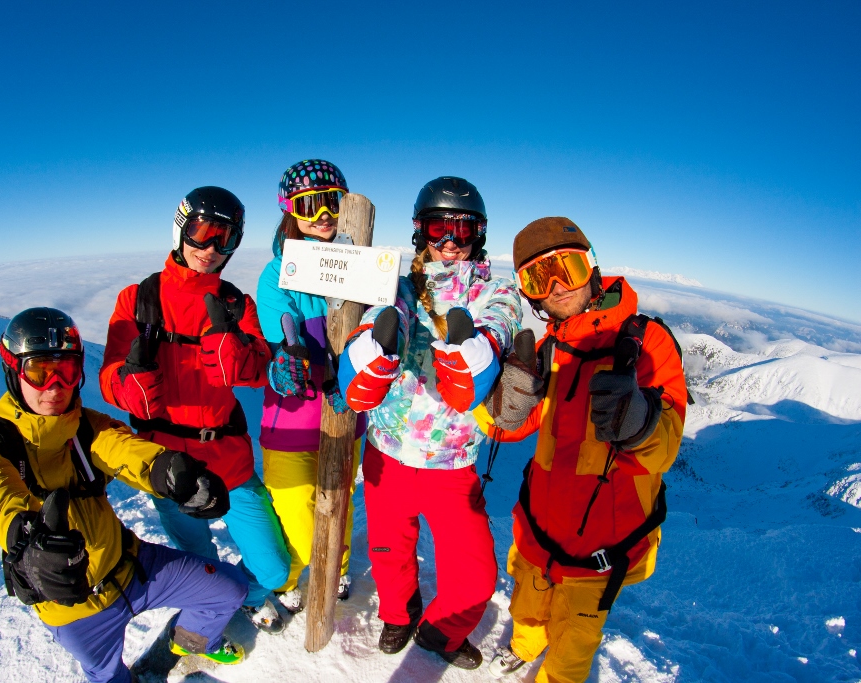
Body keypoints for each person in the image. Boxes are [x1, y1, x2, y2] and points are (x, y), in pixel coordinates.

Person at [0, 307, 248, 683]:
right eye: (40, 371)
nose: (55, 386)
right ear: (13, 370)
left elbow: (121, 448)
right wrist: (30, 543)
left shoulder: (84, 426)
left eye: (67, 370)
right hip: (73, 607)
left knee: (229, 589)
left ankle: (195, 640)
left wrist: (170, 472)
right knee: (108, 677)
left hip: (131, 566)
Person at [475, 217, 688, 682]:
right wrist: (499, 408)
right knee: (527, 603)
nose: (556, 288)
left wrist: (640, 423)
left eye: (565, 269)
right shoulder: (550, 348)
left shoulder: (647, 343)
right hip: (538, 526)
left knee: (575, 640)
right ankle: (524, 645)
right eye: (538, 278)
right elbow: (510, 428)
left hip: (603, 545)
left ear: (591, 267)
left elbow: (665, 447)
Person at [338, 177, 524, 669]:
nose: (450, 241)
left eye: (463, 230)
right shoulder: (399, 285)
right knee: (387, 551)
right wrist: (373, 349)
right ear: (420, 230)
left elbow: (500, 321)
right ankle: (399, 615)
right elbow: (386, 313)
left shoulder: (496, 290)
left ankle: (440, 631)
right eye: (440, 227)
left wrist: (477, 351)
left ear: (479, 234)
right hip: (388, 453)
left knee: (474, 575)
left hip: (452, 463)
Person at [99, 187, 292, 634]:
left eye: (226, 238)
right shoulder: (138, 299)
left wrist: (240, 358)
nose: (212, 248)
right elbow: (109, 376)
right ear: (182, 229)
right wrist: (129, 387)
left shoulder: (235, 303)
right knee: (200, 563)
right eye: (204, 232)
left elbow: (263, 367)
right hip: (171, 467)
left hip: (229, 458)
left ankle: (243, 597)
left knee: (273, 567)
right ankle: (215, 608)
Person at [254, 159, 366, 614]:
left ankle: (336, 569)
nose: (322, 215)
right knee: (297, 514)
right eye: (308, 205)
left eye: (331, 203)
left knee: (340, 501)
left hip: (344, 415)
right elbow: (277, 337)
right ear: (290, 212)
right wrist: (286, 356)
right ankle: (289, 578)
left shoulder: (362, 266)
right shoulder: (278, 274)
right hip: (291, 422)